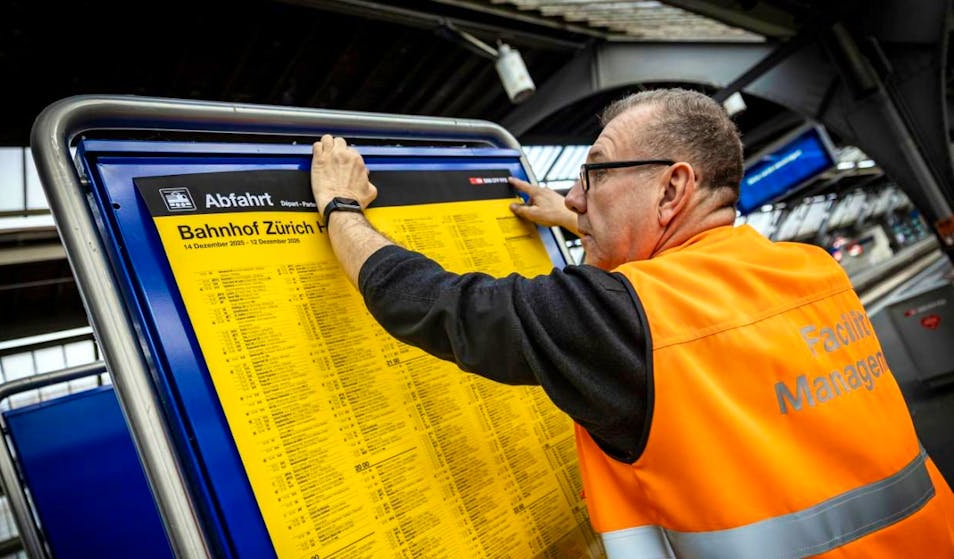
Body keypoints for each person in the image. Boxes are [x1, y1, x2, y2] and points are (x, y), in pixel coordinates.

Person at [309, 88, 954, 557]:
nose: (578, 196)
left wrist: (341, 207)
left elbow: (439, 304)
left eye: (594, 174)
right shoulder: (811, 272)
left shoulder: (627, 317)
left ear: (673, 190)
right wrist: (576, 218)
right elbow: (700, 290)